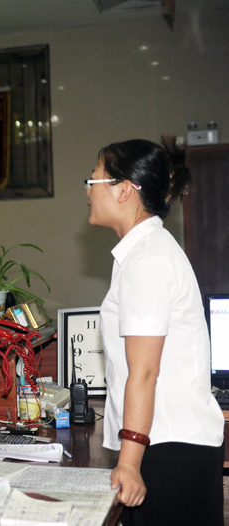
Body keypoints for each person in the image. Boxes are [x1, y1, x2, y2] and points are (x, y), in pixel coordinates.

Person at [86, 137, 224, 525]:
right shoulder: (144, 252)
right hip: (165, 444)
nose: (88, 190)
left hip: (170, 451)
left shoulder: (148, 260)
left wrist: (129, 463)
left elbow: (144, 371)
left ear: (124, 189)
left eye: (94, 179)